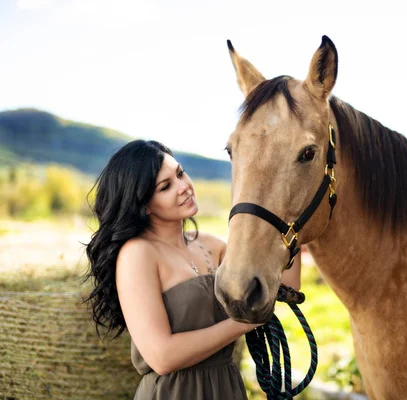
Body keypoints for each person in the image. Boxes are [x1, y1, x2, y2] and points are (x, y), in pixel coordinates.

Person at [83, 140, 301, 399]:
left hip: (227, 388)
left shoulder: (210, 245)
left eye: (180, 173)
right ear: (144, 205)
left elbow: (286, 284)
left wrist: (291, 216)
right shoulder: (138, 254)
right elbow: (162, 357)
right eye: (166, 186)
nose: (184, 187)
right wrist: (244, 323)